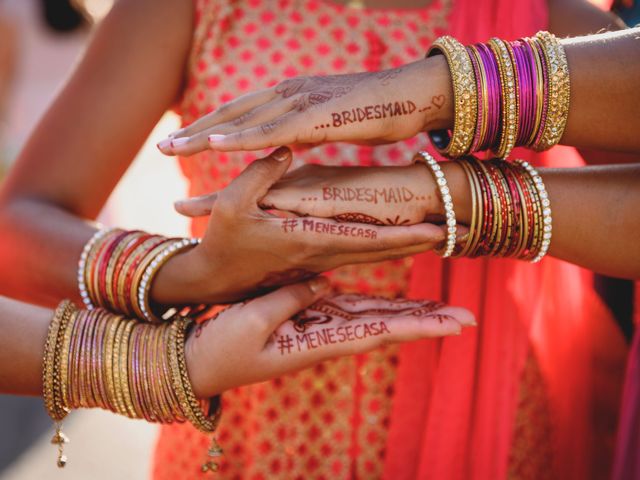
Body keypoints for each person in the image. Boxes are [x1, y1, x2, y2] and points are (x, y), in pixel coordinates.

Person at [0, 1, 629, 479]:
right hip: (249, 415)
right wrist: (193, 274)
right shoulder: (194, 9)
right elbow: (22, 225)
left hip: (492, 423)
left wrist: (456, 192)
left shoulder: (546, 17)